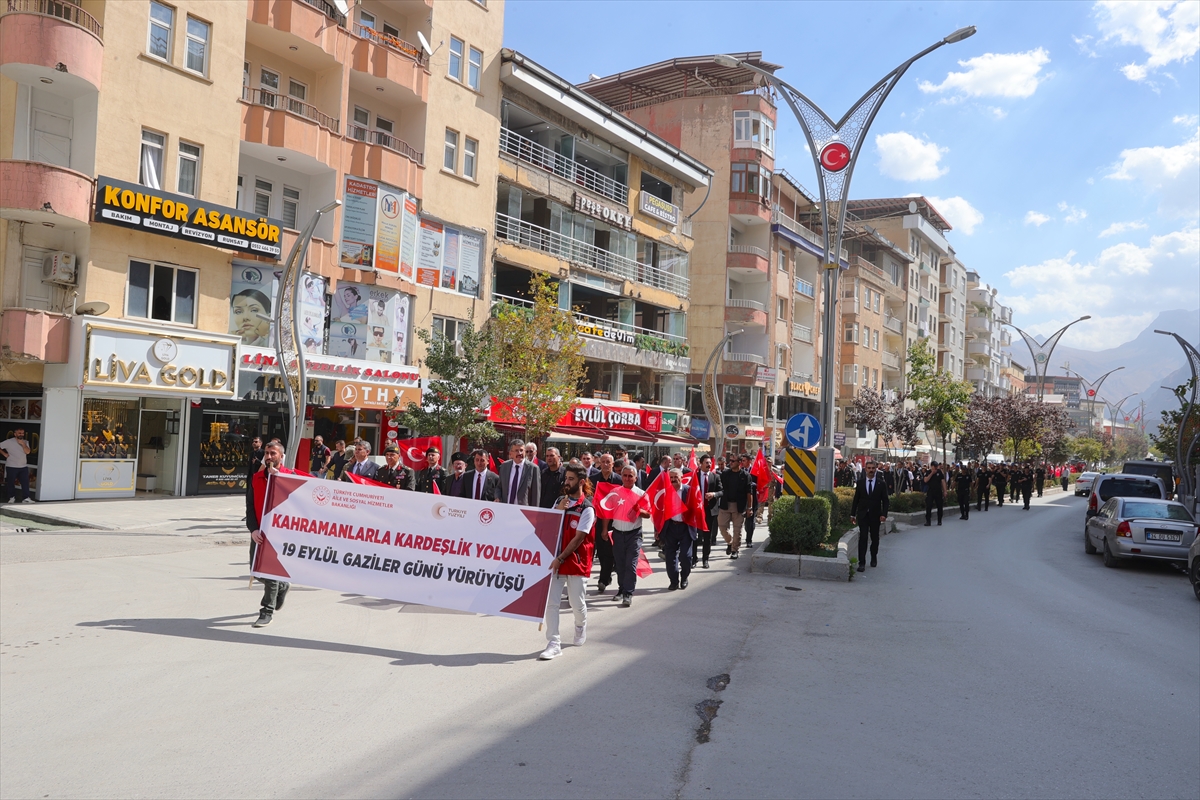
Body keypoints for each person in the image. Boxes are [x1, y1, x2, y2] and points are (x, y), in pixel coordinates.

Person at [540, 461, 594, 661]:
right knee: (552, 603)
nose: (566, 482)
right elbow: (548, 527)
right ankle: (554, 642)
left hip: (575, 561)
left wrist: (561, 558)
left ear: (581, 482)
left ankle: (580, 624)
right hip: (555, 560)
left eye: (571, 479)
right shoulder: (559, 501)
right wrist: (558, 510)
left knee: (576, 603)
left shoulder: (587, 508)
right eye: (566, 478)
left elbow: (579, 538)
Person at [248, 441, 298, 627]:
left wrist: (282, 480)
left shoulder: (291, 477)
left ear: (281, 456)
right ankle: (282, 585)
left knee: (269, 573)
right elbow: (250, 506)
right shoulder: (256, 477)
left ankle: (266, 611)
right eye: (267, 453)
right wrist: (252, 529)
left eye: (273, 453)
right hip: (259, 532)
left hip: (280, 534)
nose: (269, 457)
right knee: (256, 570)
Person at [610, 464, 651, 606]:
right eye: (625, 475)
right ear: (621, 476)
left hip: (634, 534)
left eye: (630, 476)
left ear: (635, 478)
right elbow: (606, 511)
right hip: (617, 533)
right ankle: (621, 590)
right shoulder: (615, 492)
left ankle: (628, 592)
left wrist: (638, 509)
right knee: (620, 564)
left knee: (630, 564)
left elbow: (648, 514)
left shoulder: (641, 494)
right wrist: (604, 530)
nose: (627, 478)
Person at [850, 459, 889, 572]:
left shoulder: (881, 484)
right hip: (863, 515)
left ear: (876, 469)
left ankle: (873, 557)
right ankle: (861, 562)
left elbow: (885, 501)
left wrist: (884, 514)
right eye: (869, 468)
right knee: (863, 538)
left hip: (875, 515)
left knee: (875, 538)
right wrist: (853, 514)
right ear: (865, 469)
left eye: (873, 468)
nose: (871, 470)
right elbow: (856, 499)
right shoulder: (861, 483)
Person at [660, 468, 696, 591]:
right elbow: (659, 513)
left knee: (686, 556)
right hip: (670, 528)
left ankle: (684, 577)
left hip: (685, 527)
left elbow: (697, 509)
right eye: (671, 477)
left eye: (676, 477)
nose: (674, 479)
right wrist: (657, 530)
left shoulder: (689, 491)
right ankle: (674, 581)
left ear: (682, 477)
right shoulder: (665, 492)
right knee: (670, 558)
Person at [591, 454, 622, 594]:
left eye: (608, 462)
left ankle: (603, 579)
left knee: (608, 552)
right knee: (599, 552)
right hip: (596, 520)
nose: (605, 464)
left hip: (614, 521)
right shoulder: (592, 480)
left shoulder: (619, 480)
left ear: (612, 463)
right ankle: (605, 576)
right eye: (602, 462)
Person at [718, 454, 753, 559]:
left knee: (737, 530)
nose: (731, 463)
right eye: (730, 461)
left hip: (739, 506)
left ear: (739, 462)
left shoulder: (745, 476)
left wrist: (749, 508)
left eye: (733, 461)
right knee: (722, 527)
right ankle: (730, 542)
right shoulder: (725, 474)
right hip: (725, 505)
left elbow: (749, 493)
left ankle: (734, 550)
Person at [695, 454, 723, 568]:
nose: (709, 464)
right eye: (706, 463)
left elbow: (722, 491)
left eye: (710, 463)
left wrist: (714, 494)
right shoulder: (695, 476)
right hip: (697, 510)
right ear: (701, 464)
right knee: (695, 536)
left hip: (709, 510)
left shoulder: (715, 477)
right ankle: (693, 558)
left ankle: (705, 559)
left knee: (707, 536)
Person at [498, 439, 540, 507]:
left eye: (521, 450)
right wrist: (497, 497)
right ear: (511, 453)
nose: (519, 453)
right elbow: (499, 487)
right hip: (505, 508)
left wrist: (533, 513)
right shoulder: (504, 466)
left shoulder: (533, 468)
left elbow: (536, 495)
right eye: (516, 450)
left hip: (523, 511)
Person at [1, 427, 33, 503]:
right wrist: (4, 454)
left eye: (22, 433)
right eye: (19, 433)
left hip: (23, 466)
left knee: (25, 482)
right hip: (12, 466)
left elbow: (28, 452)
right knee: (11, 482)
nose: (21, 435)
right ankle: (11, 498)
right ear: (15, 434)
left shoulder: (25, 442)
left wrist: (23, 444)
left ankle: (26, 498)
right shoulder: (9, 442)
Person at [741, 453, 759, 548]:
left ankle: (749, 540)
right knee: (745, 522)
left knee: (750, 520)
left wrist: (751, 484)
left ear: (749, 461)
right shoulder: (740, 471)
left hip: (753, 498)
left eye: (744, 460)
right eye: (742, 461)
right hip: (742, 499)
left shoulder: (756, 471)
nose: (742, 462)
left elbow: (760, 483)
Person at [924, 461, 947, 526]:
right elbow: (925, 480)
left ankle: (939, 520)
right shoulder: (928, 472)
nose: (936, 468)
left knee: (939, 506)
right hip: (930, 491)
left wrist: (945, 491)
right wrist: (931, 473)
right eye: (935, 466)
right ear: (932, 466)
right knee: (929, 506)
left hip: (938, 491)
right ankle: (928, 521)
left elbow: (943, 482)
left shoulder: (939, 472)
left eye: (936, 466)